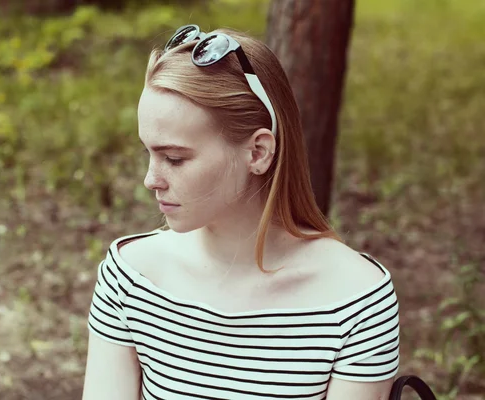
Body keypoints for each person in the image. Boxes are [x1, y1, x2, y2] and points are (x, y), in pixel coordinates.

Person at [82, 25, 400, 400]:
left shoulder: (356, 300)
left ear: (258, 152)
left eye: (174, 158)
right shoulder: (131, 278)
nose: (151, 179)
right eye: (147, 153)